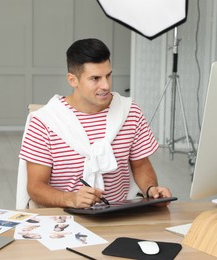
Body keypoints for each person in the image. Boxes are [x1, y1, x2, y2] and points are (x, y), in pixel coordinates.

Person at [19, 38, 172, 208]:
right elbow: (35, 187)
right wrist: (71, 199)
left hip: (118, 216)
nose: (106, 85)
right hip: (64, 220)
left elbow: (141, 165)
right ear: (72, 80)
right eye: (95, 78)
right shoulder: (44, 121)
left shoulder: (130, 112)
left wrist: (151, 189)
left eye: (108, 75)